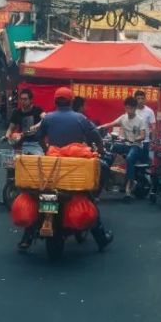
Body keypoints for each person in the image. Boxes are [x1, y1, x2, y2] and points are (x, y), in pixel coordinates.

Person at [29, 87, 113, 251]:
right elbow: (96, 137)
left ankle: (26, 238)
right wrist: (101, 150)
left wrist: (47, 149)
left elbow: (38, 138)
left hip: (52, 169)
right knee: (89, 198)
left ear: (55, 101)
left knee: (36, 196)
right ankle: (101, 239)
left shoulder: (48, 118)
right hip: (76, 169)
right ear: (71, 101)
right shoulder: (80, 118)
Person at [98, 97, 149, 195]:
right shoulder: (123, 117)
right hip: (124, 144)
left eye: (131, 108)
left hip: (136, 146)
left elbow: (143, 135)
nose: (128, 110)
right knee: (109, 151)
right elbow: (111, 124)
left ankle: (128, 187)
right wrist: (99, 127)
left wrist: (135, 139)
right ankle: (111, 177)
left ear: (135, 108)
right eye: (127, 108)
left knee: (129, 158)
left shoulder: (140, 120)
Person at [5, 88, 45, 155]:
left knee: (39, 160)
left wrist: (37, 125)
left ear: (31, 100)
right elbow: (10, 128)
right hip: (20, 144)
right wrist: (6, 136)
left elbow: (46, 118)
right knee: (14, 161)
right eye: (21, 99)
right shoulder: (16, 112)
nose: (22, 101)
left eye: (25, 99)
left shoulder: (37, 110)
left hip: (35, 144)